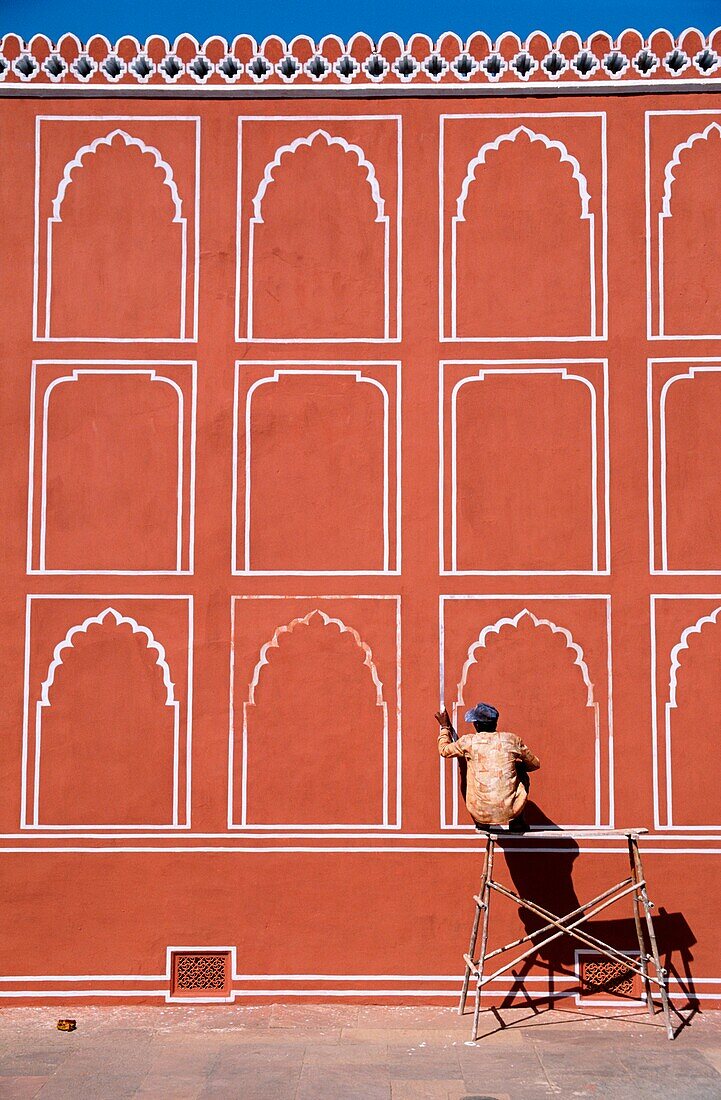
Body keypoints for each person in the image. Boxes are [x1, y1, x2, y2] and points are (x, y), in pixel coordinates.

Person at [435, 701, 540, 831]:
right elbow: (535, 764)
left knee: (474, 772)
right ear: (495, 722)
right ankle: (517, 822)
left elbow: (444, 750)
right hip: (511, 811)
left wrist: (445, 727)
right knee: (520, 770)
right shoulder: (512, 740)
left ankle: (482, 822)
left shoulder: (468, 742)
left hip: (479, 812)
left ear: (476, 724)